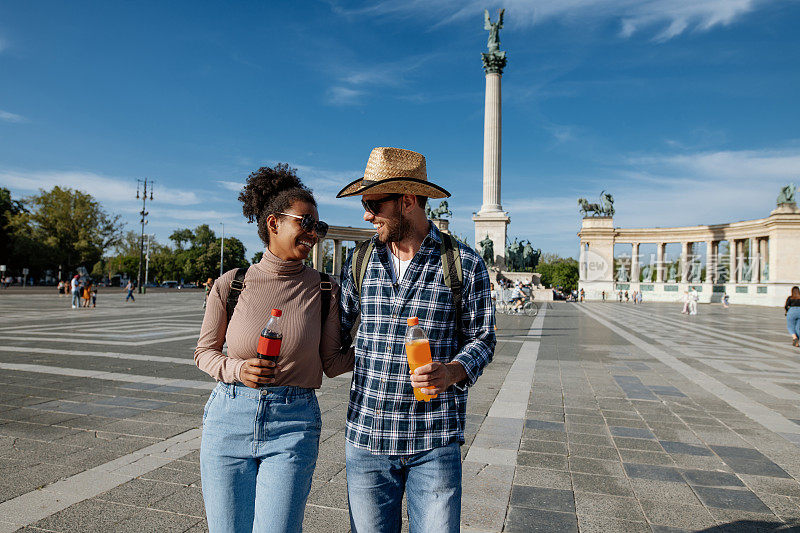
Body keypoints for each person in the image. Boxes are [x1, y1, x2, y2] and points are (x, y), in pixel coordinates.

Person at [336, 147, 495, 533]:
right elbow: (333, 329)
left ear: (407, 201)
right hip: (367, 437)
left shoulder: (463, 263)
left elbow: (483, 338)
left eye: (373, 203)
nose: (366, 214)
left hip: (434, 441)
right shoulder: (359, 261)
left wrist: (454, 370)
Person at [195, 164, 353, 533]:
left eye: (320, 227)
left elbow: (331, 363)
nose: (314, 233)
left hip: (293, 424)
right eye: (306, 222)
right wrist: (238, 369)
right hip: (228, 418)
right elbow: (204, 352)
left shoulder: (325, 289)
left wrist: (382, 347)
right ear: (273, 223)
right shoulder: (231, 284)